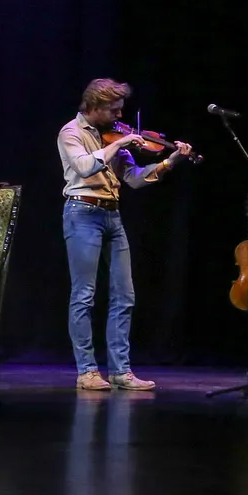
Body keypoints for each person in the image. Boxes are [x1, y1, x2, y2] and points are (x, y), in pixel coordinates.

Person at [58, 78, 193, 391]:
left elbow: (134, 179)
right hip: (82, 213)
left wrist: (171, 160)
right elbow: (84, 167)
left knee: (124, 295)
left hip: (112, 215)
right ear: (94, 107)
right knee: (84, 295)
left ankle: (120, 371)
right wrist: (117, 144)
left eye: (121, 110)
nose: (120, 117)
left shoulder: (115, 136)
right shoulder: (71, 132)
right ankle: (87, 371)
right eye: (114, 110)